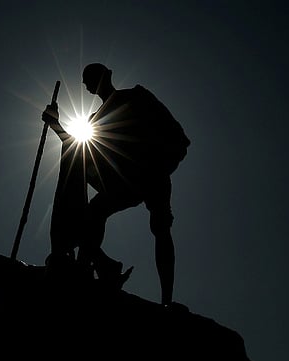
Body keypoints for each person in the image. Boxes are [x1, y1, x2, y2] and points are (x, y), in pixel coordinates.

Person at [42, 63, 190, 306]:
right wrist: (55, 124)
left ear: (107, 75)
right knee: (92, 213)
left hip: (152, 171)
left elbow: (175, 134)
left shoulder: (136, 96)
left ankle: (167, 301)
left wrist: (163, 165)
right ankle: (97, 266)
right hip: (122, 181)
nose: (90, 84)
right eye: (87, 80)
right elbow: (77, 146)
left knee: (160, 227)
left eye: (93, 77)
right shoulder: (93, 121)